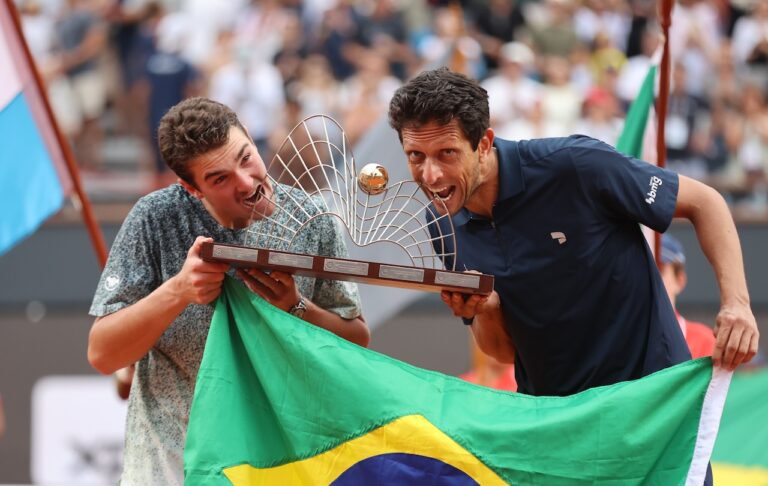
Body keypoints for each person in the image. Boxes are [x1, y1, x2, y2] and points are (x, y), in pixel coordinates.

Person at [387, 67, 759, 396]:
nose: (430, 175)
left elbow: (705, 202)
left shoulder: (574, 165)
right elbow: (502, 352)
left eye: (447, 154)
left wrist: (737, 304)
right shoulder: (439, 224)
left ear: (483, 144)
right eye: (415, 156)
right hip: (557, 426)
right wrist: (487, 308)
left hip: (652, 400)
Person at [87, 97, 369, 485]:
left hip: (279, 465)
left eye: (246, 157)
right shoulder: (153, 217)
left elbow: (357, 341)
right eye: (220, 178)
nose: (247, 182)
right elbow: (103, 354)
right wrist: (178, 291)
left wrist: (295, 306)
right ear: (191, 188)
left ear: (252, 137)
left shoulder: (313, 217)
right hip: (170, 470)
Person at [659, 234, 717, 359]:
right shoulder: (618, 341)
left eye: (658, 270)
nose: (649, 278)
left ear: (679, 281)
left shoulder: (705, 342)